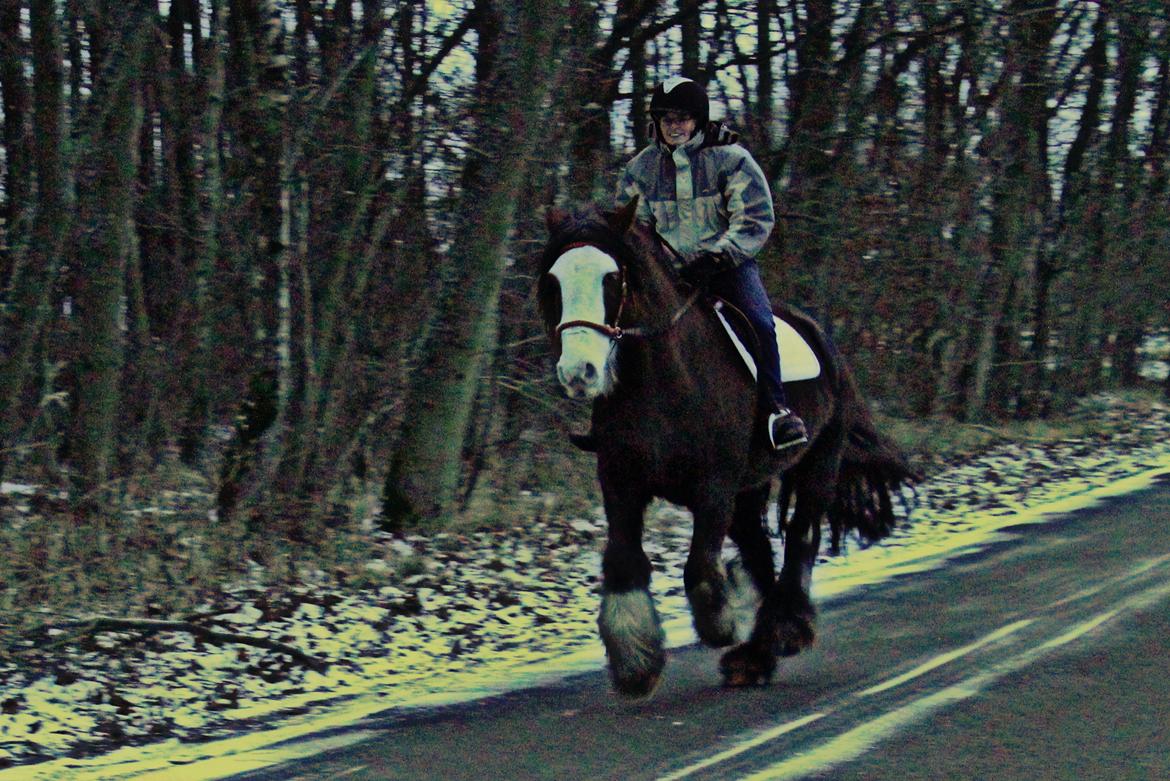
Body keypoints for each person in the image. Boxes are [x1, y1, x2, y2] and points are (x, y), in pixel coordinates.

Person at [615, 75, 808, 451]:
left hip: (727, 267)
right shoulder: (640, 170)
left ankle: (777, 410)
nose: (674, 126)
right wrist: (654, 264)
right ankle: (612, 417)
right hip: (666, 275)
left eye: (682, 118)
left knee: (759, 322)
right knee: (619, 324)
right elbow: (633, 229)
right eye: (666, 119)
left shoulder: (732, 160)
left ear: (699, 120)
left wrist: (718, 256)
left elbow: (754, 218)